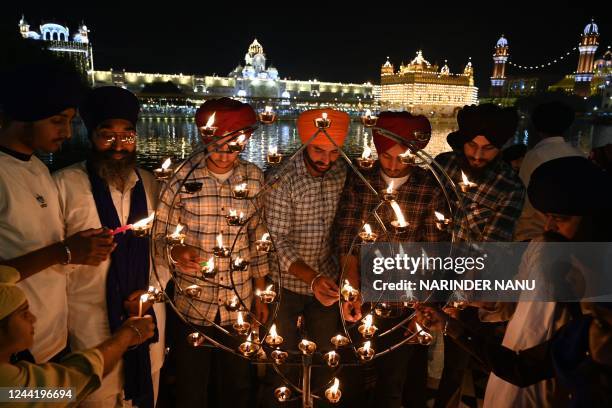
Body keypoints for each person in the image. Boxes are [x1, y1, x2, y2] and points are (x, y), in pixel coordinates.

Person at [53, 86, 165, 407]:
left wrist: (149, 293)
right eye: (107, 135)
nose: (118, 145)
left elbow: (161, 251)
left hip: (146, 319)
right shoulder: (64, 185)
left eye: (127, 135)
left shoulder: (150, 184)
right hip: (89, 325)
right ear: (90, 136)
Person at [0, 61, 115, 364]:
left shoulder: (38, 167)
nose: (67, 132)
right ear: (24, 116)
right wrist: (63, 252)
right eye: (56, 121)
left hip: (54, 341)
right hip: (14, 356)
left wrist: (79, 247)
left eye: (70, 121)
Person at [158, 97, 269, 408]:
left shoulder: (253, 177)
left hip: (239, 303)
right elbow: (159, 236)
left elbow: (257, 237)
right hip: (194, 304)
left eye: (234, 147)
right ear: (204, 137)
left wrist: (261, 293)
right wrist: (178, 252)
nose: (224, 154)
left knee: (237, 386)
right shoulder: (181, 178)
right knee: (191, 387)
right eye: (218, 145)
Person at [478, 156, 612, 407]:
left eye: (560, 218)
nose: (549, 226)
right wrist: (493, 300)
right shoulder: (543, 244)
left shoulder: (603, 269)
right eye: (547, 216)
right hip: (513, 363)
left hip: (557, 378)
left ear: (590, 219)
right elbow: (520, 291)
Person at [336, 111, 449, 407]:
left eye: (404, 158)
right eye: (387, 157)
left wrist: (420, 312)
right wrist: (351, 291)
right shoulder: (361, 179)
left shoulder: (429, 186)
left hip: (404, 304)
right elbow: (348, 241)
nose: (395, 165)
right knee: (352, 378)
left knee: (392, 383)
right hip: (362, 298)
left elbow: (433, 254)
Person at [434, 103, 525, 407]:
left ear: (501, 148)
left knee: (457, 360)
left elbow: (492, 249)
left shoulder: (509, 188)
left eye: (488, 149)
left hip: (469, 285)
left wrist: (457, 299)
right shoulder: (443, 165)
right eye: (473, 145)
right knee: (414, 349)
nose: (477, 155)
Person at [264, 108, 349, 407]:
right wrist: (310, 278)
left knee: (327, 357)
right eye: (318, 150)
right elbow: (277, 240)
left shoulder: (342, 172)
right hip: (285, 285)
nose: (326, 160)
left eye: (334, 151)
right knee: (282, 358)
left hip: (326, 282)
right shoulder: (281, 178)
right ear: (304, 142)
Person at [0, 265, 156, 405]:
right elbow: (73, 383)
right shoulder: (7, 390)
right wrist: (128, 334)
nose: (33, 318)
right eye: (23, 314)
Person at [514, 101, 584, 242]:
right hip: (566, 234)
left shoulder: (535, 156)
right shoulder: (579, 155)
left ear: (536, 126)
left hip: (533, 233)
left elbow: (523, 201)